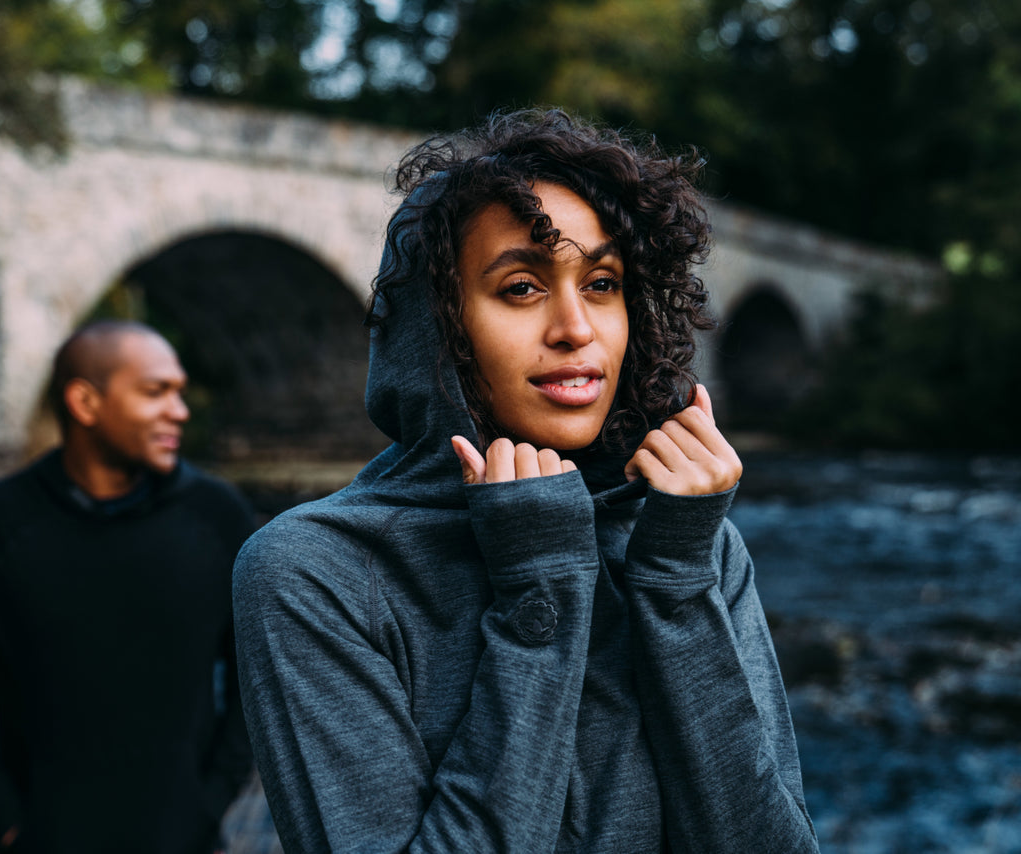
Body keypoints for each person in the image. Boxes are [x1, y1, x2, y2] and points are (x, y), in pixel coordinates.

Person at [232, 109, 819, 852]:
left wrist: (675, 583)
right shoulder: (314, 572)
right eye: (521, 288)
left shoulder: (690, 540)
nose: (576, 326)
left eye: (603, 282)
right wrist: (539, 592)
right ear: (437, 327)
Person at [0, 320, 255, 854]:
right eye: (155, 392)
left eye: (180, 393)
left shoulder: (219, 518)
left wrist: (207, 806)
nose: (180, 411)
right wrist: (8, 820)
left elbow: (255, 682)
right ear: (85, 402)